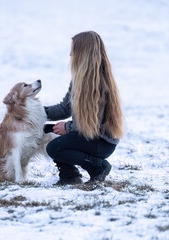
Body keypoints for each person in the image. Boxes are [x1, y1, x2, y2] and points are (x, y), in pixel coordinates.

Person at [44, 31, 124, 185]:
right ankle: (69, 176)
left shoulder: (98, 82)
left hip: (101, 142)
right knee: (48, 131)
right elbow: (64, 109)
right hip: (88, 136)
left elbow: (92, 123)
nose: (69, 54)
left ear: (82, 52)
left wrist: (67, 127)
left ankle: (98, 168)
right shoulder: (79, 79)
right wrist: (36, 112)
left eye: (73, 49)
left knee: (55, 147)